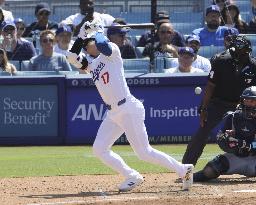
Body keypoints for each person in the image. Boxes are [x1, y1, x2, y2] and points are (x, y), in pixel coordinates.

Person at [66, 19, 194, 192]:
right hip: (112, 113)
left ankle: (183, 170)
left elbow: (103, 45)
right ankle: (132, 175)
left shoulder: (112, 52)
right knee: (99, 149)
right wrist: (81, 35)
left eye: (91, 42)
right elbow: (71, 57)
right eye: (88, 44)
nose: (90, 45)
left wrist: (97, 32)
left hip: (128, 108)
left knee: (144, 152)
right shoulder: (91, 65)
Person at [182, 35, 256, 166]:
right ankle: (186, 167)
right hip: (218, 103)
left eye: (243, 51)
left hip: (243, 106)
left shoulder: (253, 65)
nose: (240, 54)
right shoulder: (220, 60)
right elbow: (210, 85)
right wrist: (204, 108)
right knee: (202, 132)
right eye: (237, 51)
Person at [193, 86, 256, 182]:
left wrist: (246, 144)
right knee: (209, 171)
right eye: (246, 100)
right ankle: (188, 177)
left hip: (254, 159)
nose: (247, 103)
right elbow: (221, 139)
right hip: (238, 157)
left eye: (251, 101)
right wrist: (227, 139)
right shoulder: (233, 117)